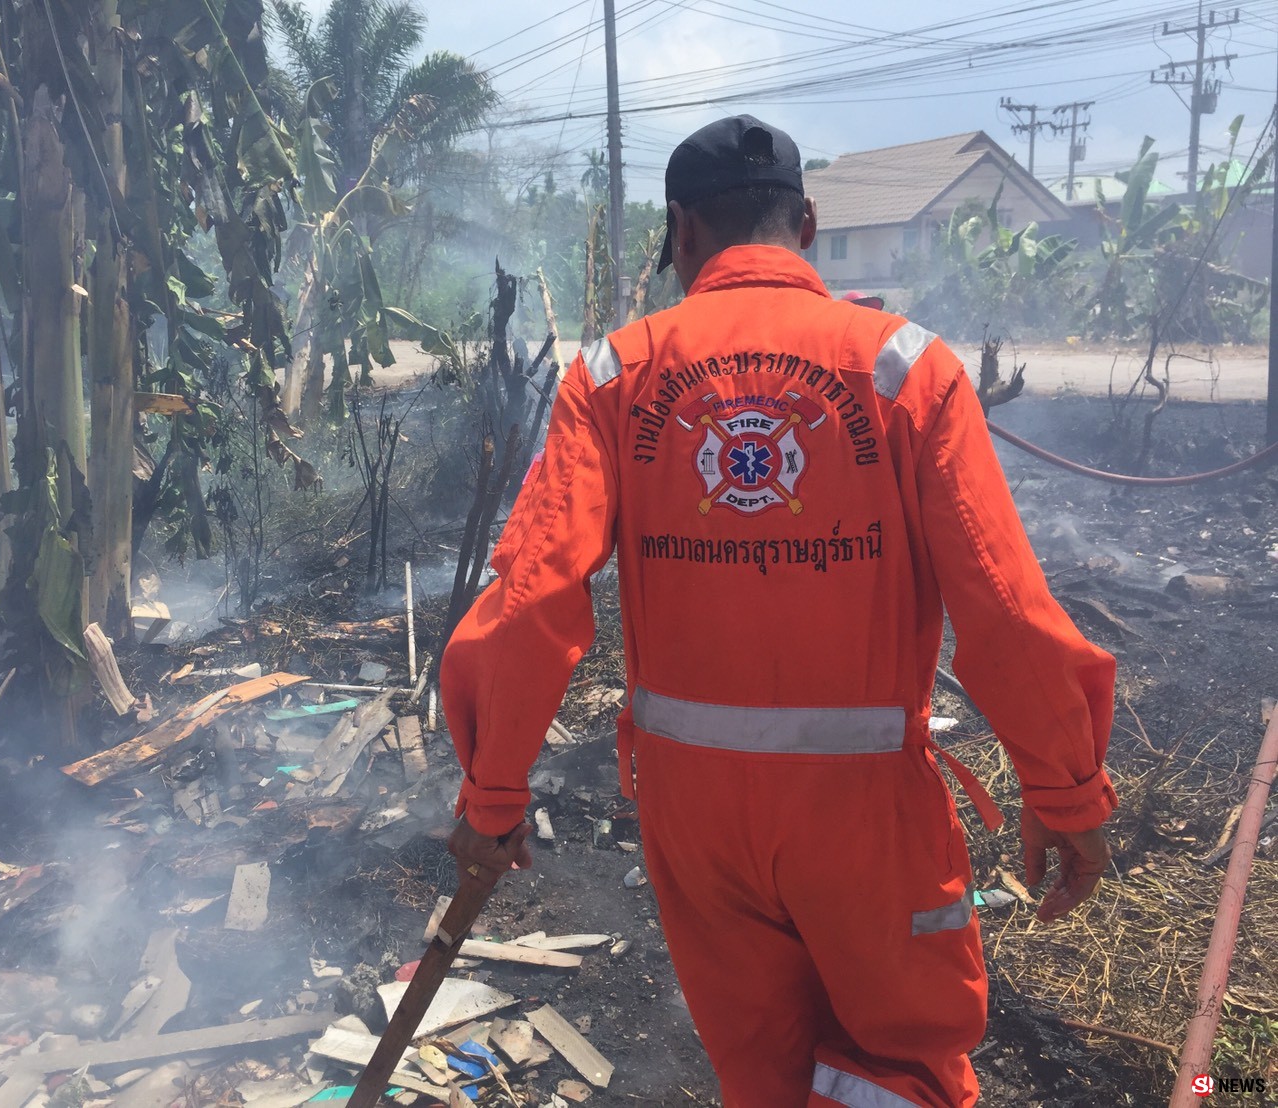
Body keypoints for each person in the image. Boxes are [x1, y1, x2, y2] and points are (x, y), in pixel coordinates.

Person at [440, 115, 1116, 1107]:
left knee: (761, 1072)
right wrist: (1064, 792)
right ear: (805, 221)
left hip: (693, 814)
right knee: (900, 1068)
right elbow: (1005, 606)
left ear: (679, 233)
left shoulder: (611, 376)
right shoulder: (904, 368)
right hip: (864, 817)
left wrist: (492, 793)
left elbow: (532, 594)